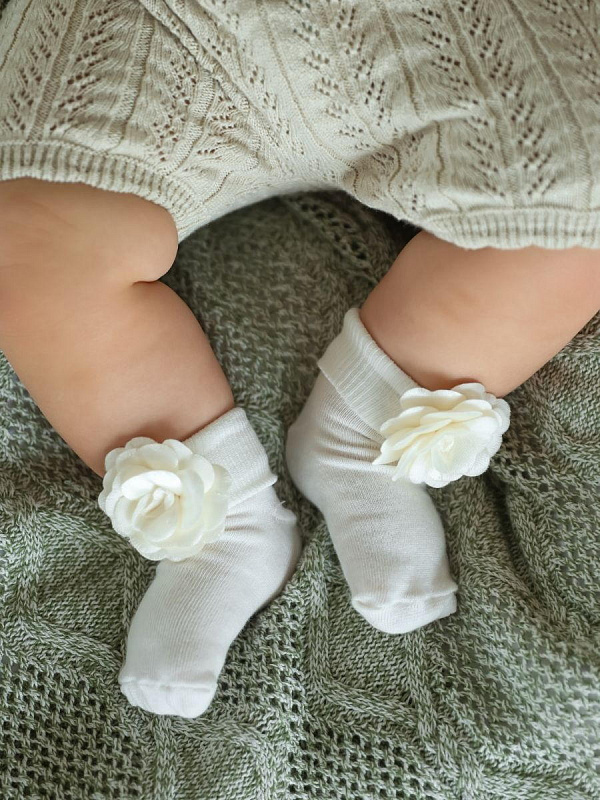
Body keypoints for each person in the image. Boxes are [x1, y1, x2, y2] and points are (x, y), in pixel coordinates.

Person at [0, 0, 598, 718]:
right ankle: (220, 521)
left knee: (581, 199)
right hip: (163, 33)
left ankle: (361, 429)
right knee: (28, 235)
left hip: (463, 34)